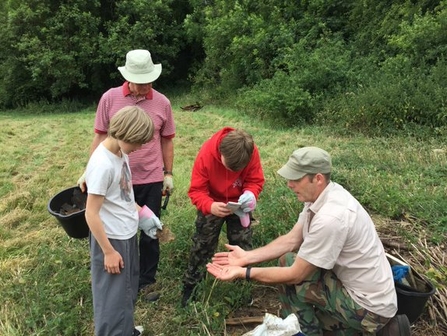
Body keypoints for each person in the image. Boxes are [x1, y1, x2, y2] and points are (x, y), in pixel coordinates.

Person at [206, 147, 411, 336]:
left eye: (295, 178)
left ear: (318, 178)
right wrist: (246, 257)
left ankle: (308, 331)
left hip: (369, 307)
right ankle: (334, 327)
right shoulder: (322, 196)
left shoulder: (331, 218)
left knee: (290, 272)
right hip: (364, 293)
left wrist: (244, 272)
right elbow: (292, 240)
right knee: (288, 259)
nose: (289, 184)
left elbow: (296, 275)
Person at [79, 49, 176, 301]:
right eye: (141, 82)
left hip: (150, 177)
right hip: (116, 182)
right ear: (128, 77)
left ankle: (146, 279)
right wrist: (88, 172)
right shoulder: (109, 99)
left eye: (149, 82)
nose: (146, 87)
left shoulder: (162, 102)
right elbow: (100, 135)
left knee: (150, 229)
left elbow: (167, 140)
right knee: (120, 229)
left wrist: (168, 173)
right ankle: (121, 272)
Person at [84, 106, 155, 336]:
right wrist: (108, 252)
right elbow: (91, 213)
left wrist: (142, 215)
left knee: (126, 289)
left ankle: (124, 329)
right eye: (137, 143)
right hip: (112, 239)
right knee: (112, 297)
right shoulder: (103, 164)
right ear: (124, 135)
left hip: (126, 233)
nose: (139, 148)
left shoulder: (120, 154)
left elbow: (123, 197)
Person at [181, 127, 265, 307]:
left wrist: (250, 194)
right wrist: (210, 206)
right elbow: (196, 191)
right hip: (212, 203)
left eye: (238, 169)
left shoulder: (250, 151)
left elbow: (255, 180)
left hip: (240, 204)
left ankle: (242, 287)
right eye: (230, 167)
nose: (234, 172)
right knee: (202, 244)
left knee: (242, 244)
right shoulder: (206, 155)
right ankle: (192, 286)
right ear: (220, 154)